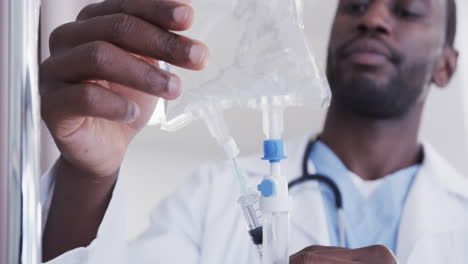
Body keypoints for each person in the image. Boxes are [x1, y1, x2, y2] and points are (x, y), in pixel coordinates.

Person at [39, 0, 468, 263]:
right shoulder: (213, 196)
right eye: (355, 5)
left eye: (407, 11)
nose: (372, 17)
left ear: (446, 66)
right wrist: (87, 176)